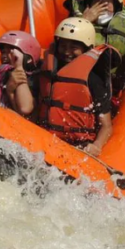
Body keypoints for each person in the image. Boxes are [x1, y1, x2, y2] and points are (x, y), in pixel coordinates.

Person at [37, 17, 115, 156]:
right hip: (45, 139)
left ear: (87, 49)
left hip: (79, 146)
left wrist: (96, 146)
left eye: (74, 48)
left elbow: (106, 126)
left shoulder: (92, 80)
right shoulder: (46, 72)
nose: (67, 52)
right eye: (63, 46)